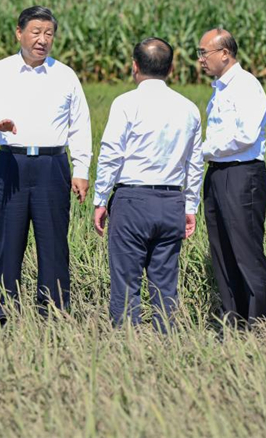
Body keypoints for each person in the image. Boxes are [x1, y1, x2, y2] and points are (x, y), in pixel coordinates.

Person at [0, 6, 92, 324]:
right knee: (9, 241)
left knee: (53, 241)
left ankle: (54, 312)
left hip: (52, 165)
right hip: (13, 164)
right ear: (19, 33)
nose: (42, 39)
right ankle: (5, 311)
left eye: (49, 33)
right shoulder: (1, 71)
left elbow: (80, 124)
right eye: (36, 32)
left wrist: (81, 169)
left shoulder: (65, 75)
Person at [93, 37, 204, 331]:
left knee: (126, 283)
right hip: (171, 202)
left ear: (134, 66)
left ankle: (126, 348)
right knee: (165, 286)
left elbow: (111, 154)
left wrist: (100, 199)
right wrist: (190, 205)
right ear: (171, 68)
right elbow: (195, 163)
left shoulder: (126, 103)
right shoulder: (189, 108)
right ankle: (165, 346)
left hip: (132, 200)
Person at [197, 28, 266, 328]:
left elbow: (246, 135)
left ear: (225, 53)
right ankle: (233, 320)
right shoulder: (220, 89)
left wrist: (203, 149)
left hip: (242, 175)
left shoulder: (246, 86)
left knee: (245, 251)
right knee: (222, 251)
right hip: (217, 174)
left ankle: (258, 324)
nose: (200, 59)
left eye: (204, 53)